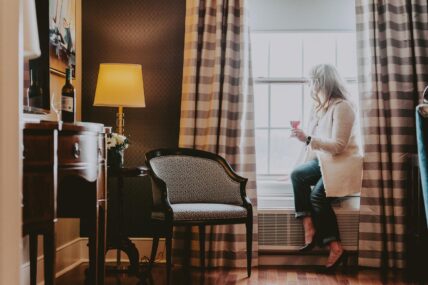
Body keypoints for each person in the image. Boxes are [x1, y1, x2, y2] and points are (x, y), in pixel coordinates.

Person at [290, 64, 363, 271]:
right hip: (325, 161)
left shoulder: (343, 107)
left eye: (313, 82)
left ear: (322, 83)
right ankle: (308, 225)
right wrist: (305, 141)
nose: (311, 87)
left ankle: (336, 247)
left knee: (317, 197)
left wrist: (309, 138)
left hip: (343, 163)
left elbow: (338, 146)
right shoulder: (322, 108)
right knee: (297, 175)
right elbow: (314, 144)